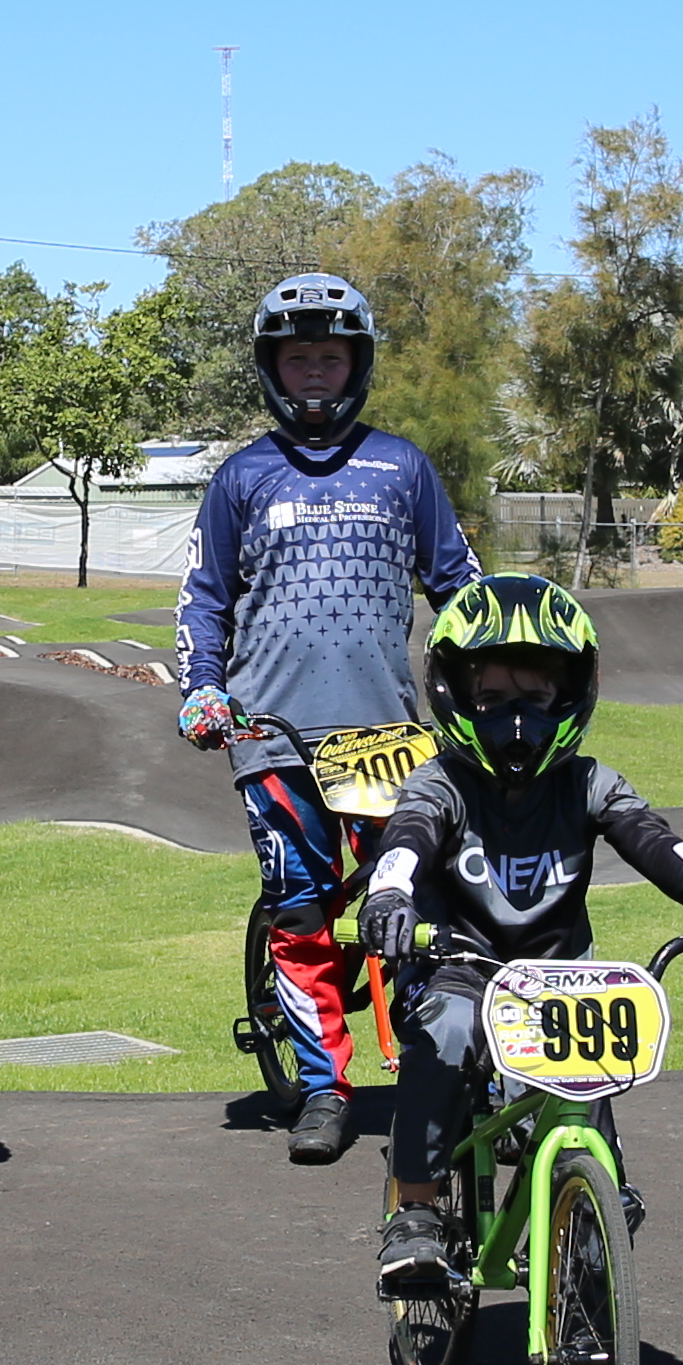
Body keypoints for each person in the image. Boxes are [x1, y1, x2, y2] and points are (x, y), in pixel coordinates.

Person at [358, 578, 683, 1365]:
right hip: (458, 969)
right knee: (444, 1032)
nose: (516, 717)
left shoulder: (589, 784)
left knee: (604, 1167)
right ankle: (421, 1211)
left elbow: (660, 843)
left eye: (537, 696)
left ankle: (592, 1358)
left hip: (560, 989)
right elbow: (405, 841)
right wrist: (390, 897)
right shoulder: (442, 784)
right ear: (455, 693)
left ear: (572, 696)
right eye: (495, 696)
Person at [174, 268, 480, 1162]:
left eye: (332, 359)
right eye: (299, 358)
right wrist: (200, 687)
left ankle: (438, 1066)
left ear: (358, 367)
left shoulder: (403, 467)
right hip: (270, 735)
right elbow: (203, 598)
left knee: (416, 903)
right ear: (274, 367)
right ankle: (323, 1087)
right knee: (301, 909)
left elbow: (460, 588)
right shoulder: (242, 478)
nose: (316, 374)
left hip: (389, 736)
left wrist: (489, 686)